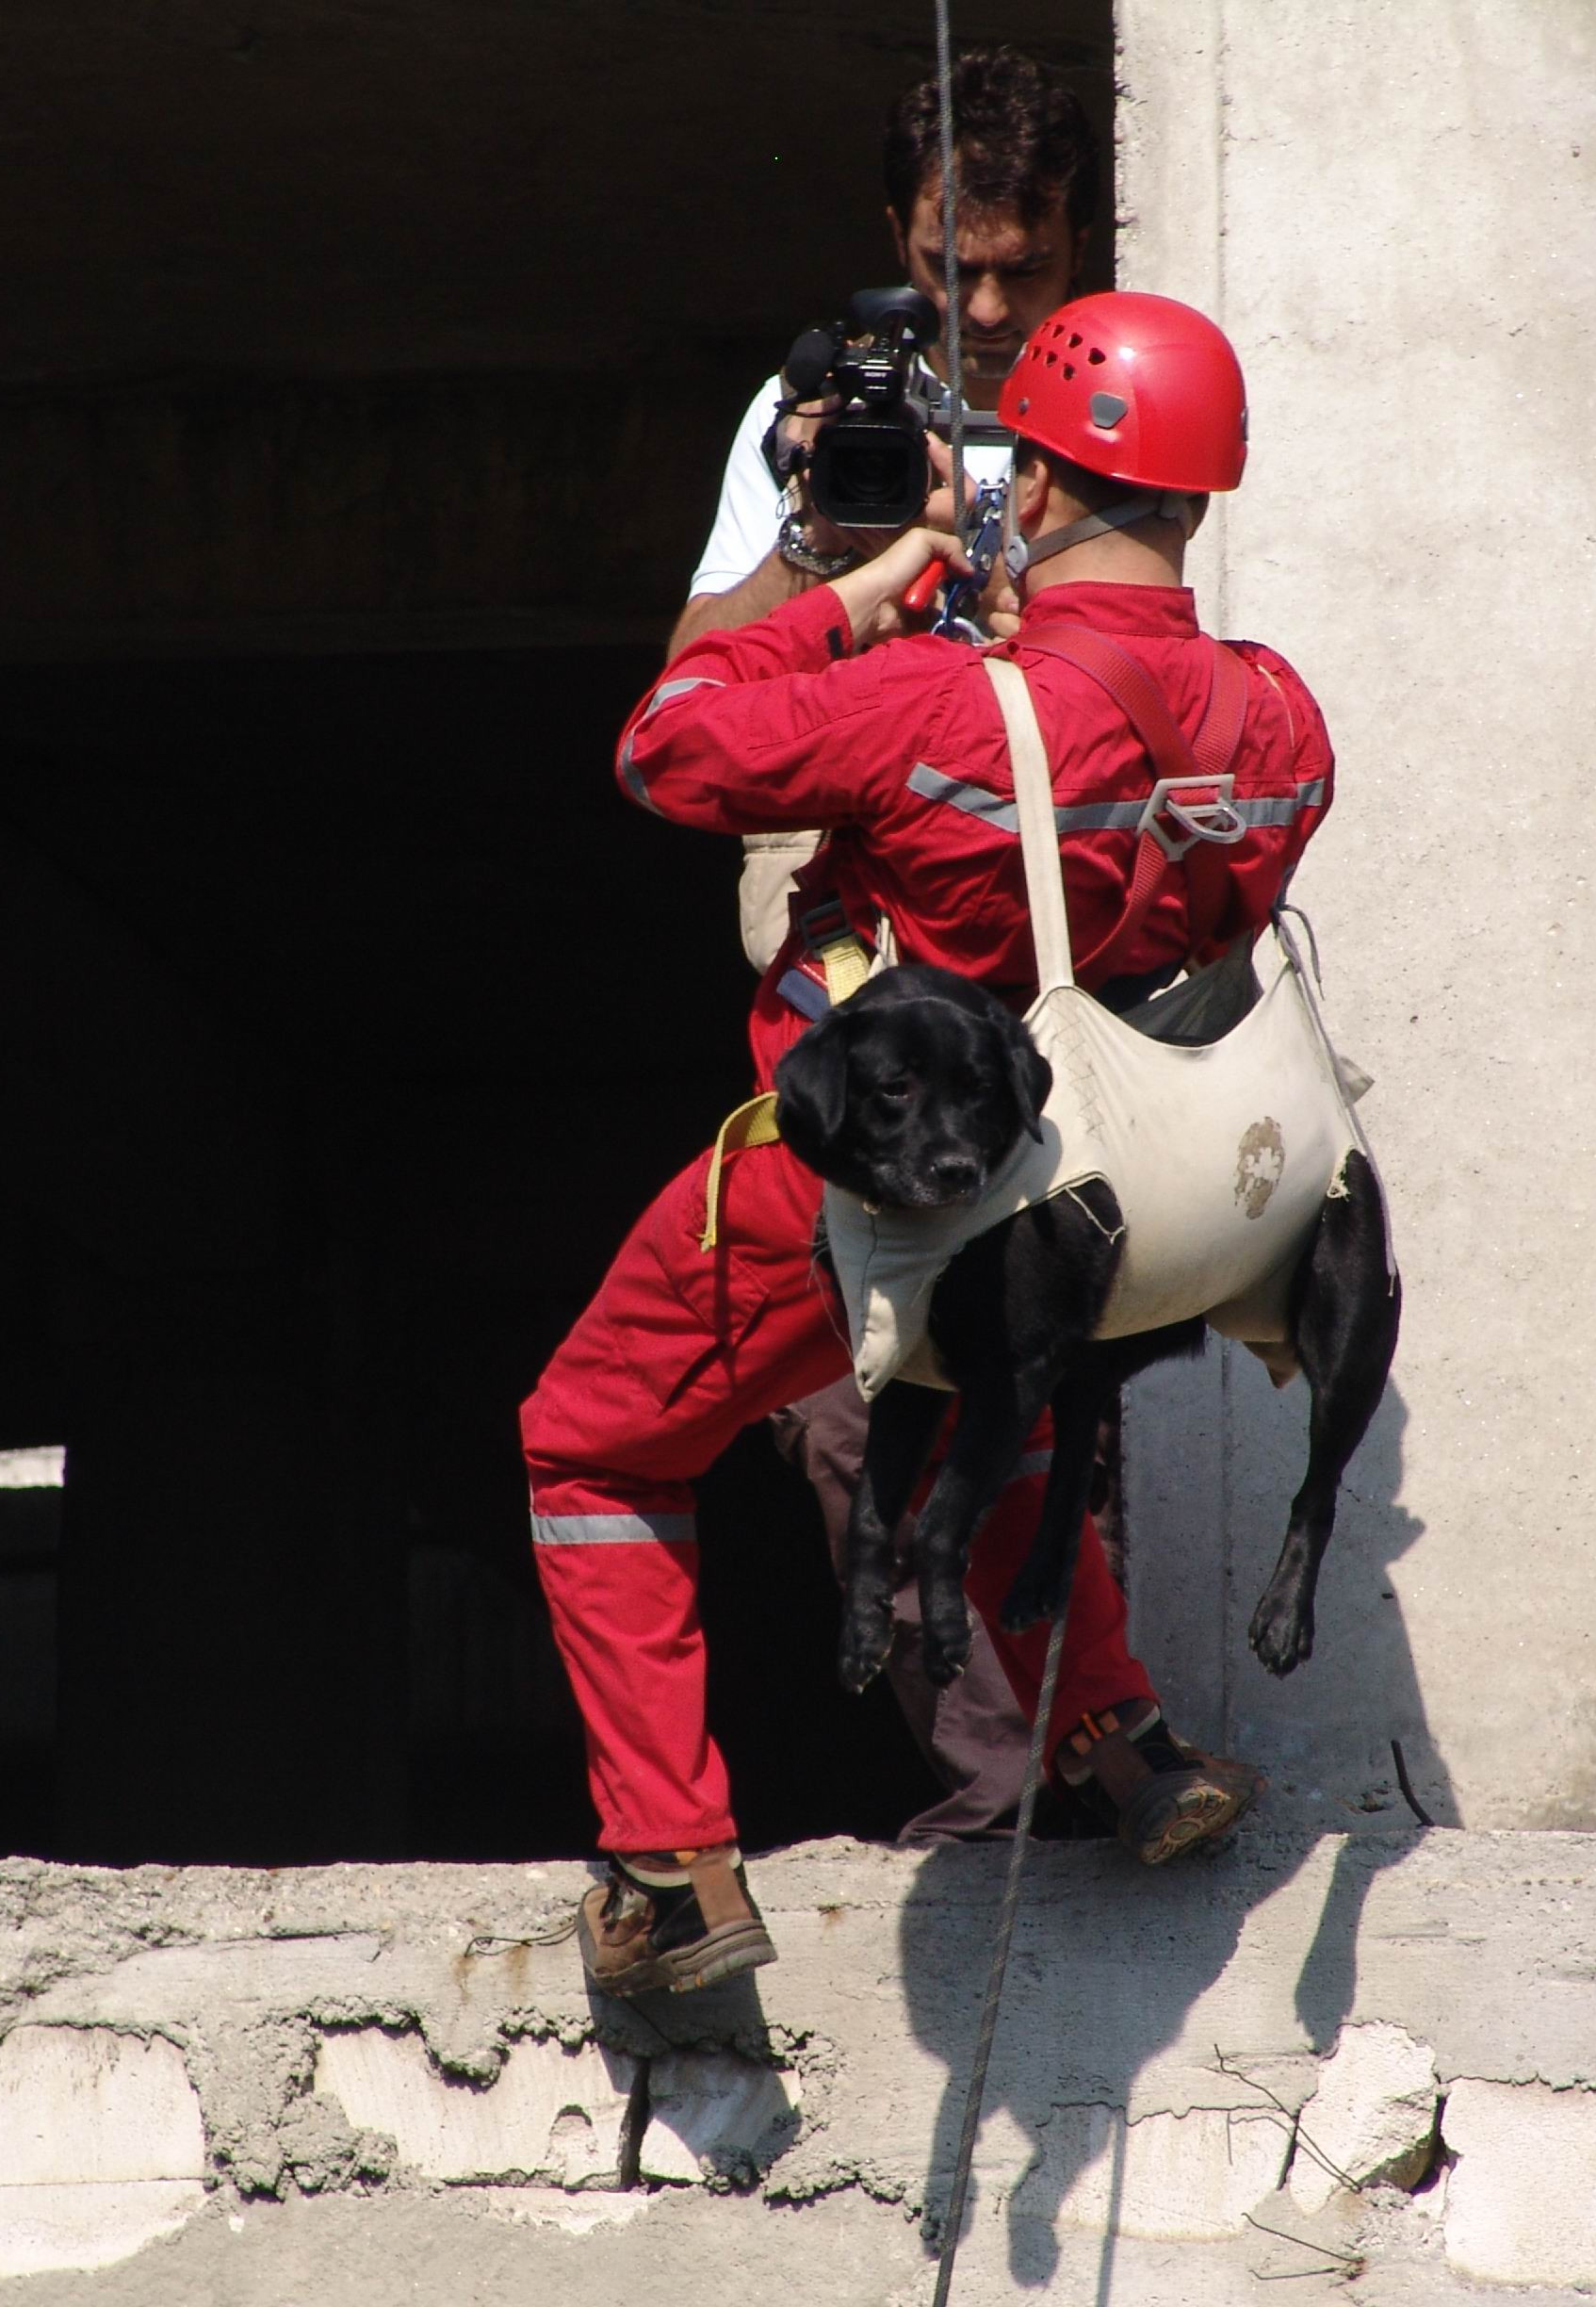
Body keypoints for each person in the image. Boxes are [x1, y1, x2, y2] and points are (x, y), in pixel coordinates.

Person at [527, 290, 1339, 1997]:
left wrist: (851, 590)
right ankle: (1123, 1743)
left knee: (590, 1444)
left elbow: (665, 748)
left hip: (874, 1182)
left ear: (1023, 489)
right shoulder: (1280, 718)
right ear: (1203, 495)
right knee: (980, 1384)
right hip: (1112, 1190)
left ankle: (670, 1870)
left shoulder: (935, 707)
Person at [676, 50, 1108, 1848]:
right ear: (894, 234)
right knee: (848, 1389)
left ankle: (1101, 1751)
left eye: (1022, 267)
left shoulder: (1114, 395)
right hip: (855, 954)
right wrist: (822, 531)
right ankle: (1002, 1789)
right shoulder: (821, 410)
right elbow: (693, 688)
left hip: (1050, 922)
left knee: (1062, 1351)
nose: (986, 312)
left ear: (1080, 234)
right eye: (951, 268)